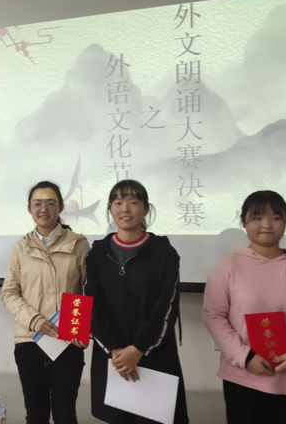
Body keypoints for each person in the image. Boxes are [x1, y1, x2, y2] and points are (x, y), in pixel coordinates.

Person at [203, 190, 286, 424]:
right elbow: (214, 316)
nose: (266, 224)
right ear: (243, 222)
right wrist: (244, 357)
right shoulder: (228, 266)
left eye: (276, 217)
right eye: (257, 217)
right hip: (244, 378)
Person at [84, 179, 188, 423]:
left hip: (153, 353)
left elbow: (167, 306)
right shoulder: (97, 254)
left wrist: (139, 348)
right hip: (114, 358)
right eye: (118, 202)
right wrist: (116, 349)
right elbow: (91, 302)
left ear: (146, 209)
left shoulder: (164, 253)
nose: (125, 209)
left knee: (155, 416)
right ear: (110, 209)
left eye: (133, 202)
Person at [1, 181, 90, 424]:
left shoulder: (79, 243)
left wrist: (82, 328)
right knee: (36, 414)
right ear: (29, 208)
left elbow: (87, 290)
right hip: (29, 340)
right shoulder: (21, 247)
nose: (44, 209)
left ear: (60, 207)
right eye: (37, 204)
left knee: (65, 414)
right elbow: (9, 292)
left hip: (67, 341)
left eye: (50, 203)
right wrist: (34, 320)